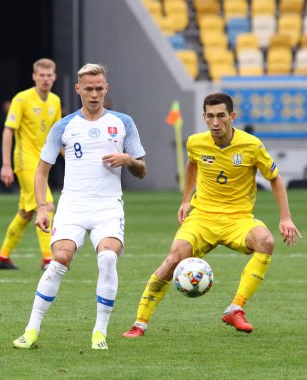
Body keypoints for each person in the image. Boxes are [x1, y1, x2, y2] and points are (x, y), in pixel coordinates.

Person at [123, 92, 302, 338]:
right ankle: (139, 323)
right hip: (203, 217)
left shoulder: (251, 145)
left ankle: (236, 308)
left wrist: (285, 217)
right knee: (173, 259)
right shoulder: (196, 142)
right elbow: (192, 164)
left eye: (221, 116)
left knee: (266, 241)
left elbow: (275, 178)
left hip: (238, 218)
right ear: (204, 117)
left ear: (232, 116)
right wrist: (186, 200)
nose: (215, 122)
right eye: (210, 117)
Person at [13, 63, 146, 350]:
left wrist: (129, 160)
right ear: (78, 89)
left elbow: (142, 169)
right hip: (72, 205)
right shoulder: (64, 126)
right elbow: (41, 171)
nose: (94, 94)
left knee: (108, 257)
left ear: (106, 88)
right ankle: (31, 329)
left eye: (99, 88)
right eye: (89, 89)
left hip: (108, 206)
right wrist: (42, 208)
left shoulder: (124, 122)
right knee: (58, 259)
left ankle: (100, 332)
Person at [0, 58, 61, 270]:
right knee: (47, 205)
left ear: (54, 77)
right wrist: (6, 164)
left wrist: (72, 156)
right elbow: (8, 130)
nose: (45, 79)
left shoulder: (55, 101)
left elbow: (56, 135)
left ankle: (2, 257)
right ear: (34, 76)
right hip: (24, 162)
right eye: (41, 75)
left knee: (26, 213)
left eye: (49, 75)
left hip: (42, 163)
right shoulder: (22, 99)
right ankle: (48, 259)